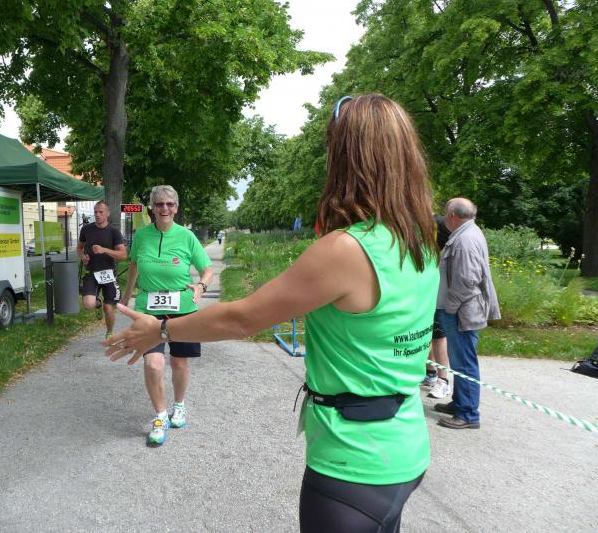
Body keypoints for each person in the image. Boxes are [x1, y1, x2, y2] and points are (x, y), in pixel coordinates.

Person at [106, 94, 439, 532]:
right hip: (406, 444)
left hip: (354, 462)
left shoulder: (347, 249)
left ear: (348, 159)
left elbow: (242, 318)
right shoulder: (419, 240)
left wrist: (161, 331)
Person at [119, 185, 213, 446]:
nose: (165, 208)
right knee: (153, 363)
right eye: (159, 204)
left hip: (182, 308)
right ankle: (160, 416)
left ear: (176, 208)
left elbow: (207, 270)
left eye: (170, 204)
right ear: (152, 208)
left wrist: (201, 286)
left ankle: (179, 405)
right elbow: (134, 265)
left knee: (179, 363)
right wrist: (127, 295)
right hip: (149, 309)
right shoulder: (142, 235)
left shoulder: (186, 236)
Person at [434, 198, 501, 429]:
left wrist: (450, 307)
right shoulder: (468, 233)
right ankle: (460, 403)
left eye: (445, 213)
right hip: (461, 311)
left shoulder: (465, 239)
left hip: (461, 313)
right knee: (460, 360)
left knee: (464, 362)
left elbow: (467, 280)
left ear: (452, 215)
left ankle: (468, 414)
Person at [77, 201, 127, 338]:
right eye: (95, 212)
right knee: (88, 304)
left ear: (107, 213)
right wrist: (83, 257)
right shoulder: (86, 229)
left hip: (108, 273)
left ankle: (109, 333)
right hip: (91, 272)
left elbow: (123, 255)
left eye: (101, 212)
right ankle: (96, 302)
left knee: (108, 306)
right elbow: (79, 248)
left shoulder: (114, 231)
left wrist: (104, 250)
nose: (98, 215)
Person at [422, 214, 453, 399]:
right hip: (424, 286)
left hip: (439, 289)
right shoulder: (415, 221)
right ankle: (431, 374)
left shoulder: (440, 223)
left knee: (438, 335)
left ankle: (443, 381)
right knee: (428, 332)